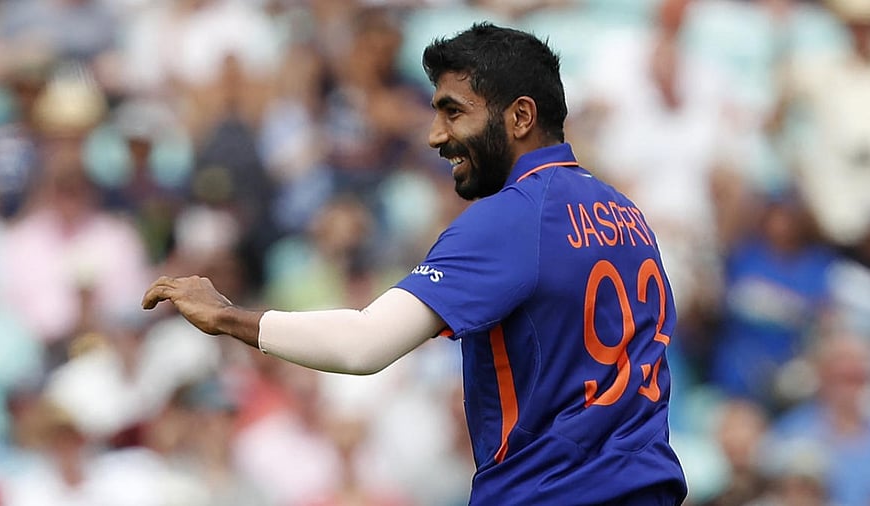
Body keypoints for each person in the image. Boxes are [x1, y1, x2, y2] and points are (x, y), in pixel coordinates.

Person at [143, 23, 688, 505]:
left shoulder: (512, 218)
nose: (436, 136)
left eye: (454, 112)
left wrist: (226, 316)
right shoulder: (626, 215)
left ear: (521, 115)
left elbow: (363, 344)